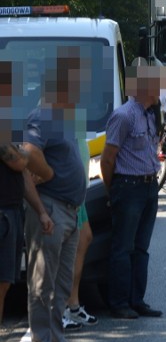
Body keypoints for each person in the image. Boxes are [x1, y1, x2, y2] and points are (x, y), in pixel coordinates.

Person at [22, 50, 94, 342]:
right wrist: (49, 179)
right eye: (77, 82)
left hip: (69, 210)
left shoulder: (63, 115)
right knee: (43, 281)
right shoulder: (43, 115)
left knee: (62, 283)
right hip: (50, 209)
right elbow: (28, 154)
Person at [100, 66, 163, 319]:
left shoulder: (150, 115)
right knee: (123, 247)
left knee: (141, 248)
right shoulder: (123, 116)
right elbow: (107, 158)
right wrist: (112, 191)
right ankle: (119, 303)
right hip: (128, 187)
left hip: (149, 187)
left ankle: (137, 300)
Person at [0, 142, 35, 342]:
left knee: (3, 285)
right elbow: (20, 161)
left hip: (10, 211)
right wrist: (26, 151)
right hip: (2, 215)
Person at [63, 135, 98, 328]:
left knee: (84, 239)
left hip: (78, 191)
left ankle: (72, 305)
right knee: (62, 250)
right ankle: (59, 309)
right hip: (66, 192)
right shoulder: (53, 114)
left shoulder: (71, 115)